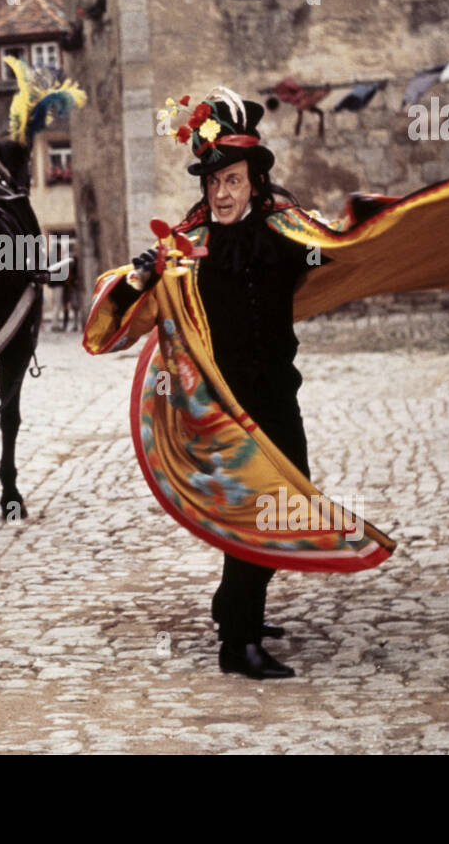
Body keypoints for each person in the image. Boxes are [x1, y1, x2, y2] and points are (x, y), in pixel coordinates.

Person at [83, 88, 397, 679]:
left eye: (232, 181)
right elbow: (112, 326)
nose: (222, 194)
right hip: (220, 407)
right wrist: (137, 280)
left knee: (288, 494)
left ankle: (233, 603)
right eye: (213, 183)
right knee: (259, 508)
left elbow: (340, 247)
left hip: (278, 394)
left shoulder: (288, 234)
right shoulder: (189, 251)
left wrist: (381, 223)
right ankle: (239, 641)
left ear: (255, 181)